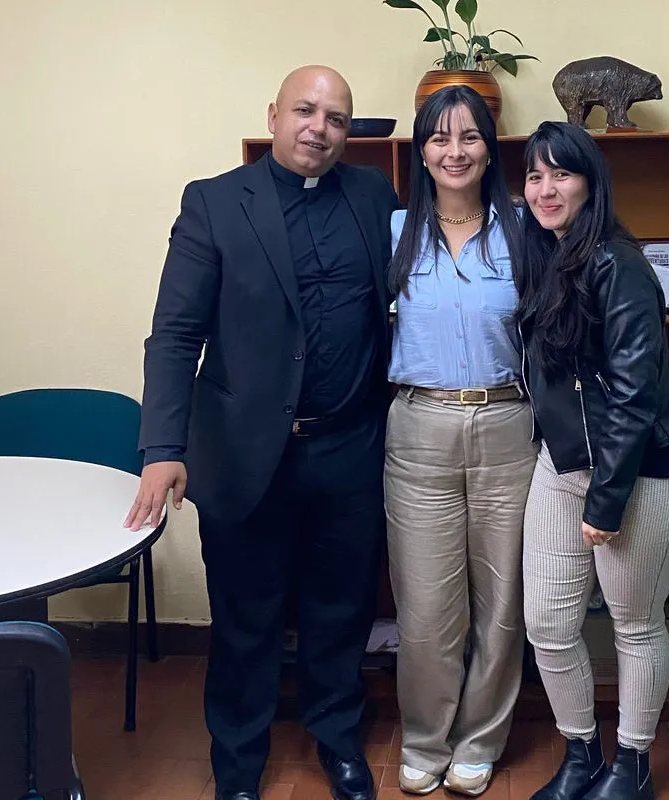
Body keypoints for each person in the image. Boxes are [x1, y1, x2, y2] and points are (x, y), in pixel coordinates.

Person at [124, 65, 399, 800]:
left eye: (337, 118)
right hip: (247, 454)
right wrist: (162, 449)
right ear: (274, 114)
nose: (319, 128)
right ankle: (238, 760)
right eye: (305, 111)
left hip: (350, 446)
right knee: (245, 616)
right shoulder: (215, 203)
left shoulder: (375, 196)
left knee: (341, 609)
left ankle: (338, 737)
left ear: (351, 131)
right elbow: (174, 336)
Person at [514, 121, 669, 800]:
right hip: (564, 464)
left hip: (641, 473)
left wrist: (607, 498)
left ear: (591, 183)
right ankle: (580, 754)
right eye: (534, 176)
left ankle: (632, 766)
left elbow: (633, 393)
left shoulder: (618, 264)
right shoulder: (547, 256)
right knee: (548, 622)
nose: (545, 188)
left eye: (561, 173)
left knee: (634, 623)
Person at [384, 85, 535, 797]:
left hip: (508, 423)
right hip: (417, 425)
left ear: (489, 147)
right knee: (425, 604)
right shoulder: (392, 232)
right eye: (439, 138)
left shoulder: (522, 228)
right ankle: (425, 736)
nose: (454, 151)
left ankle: (480, 738)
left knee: (503, 599)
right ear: (421, 150)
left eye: (469, 136)